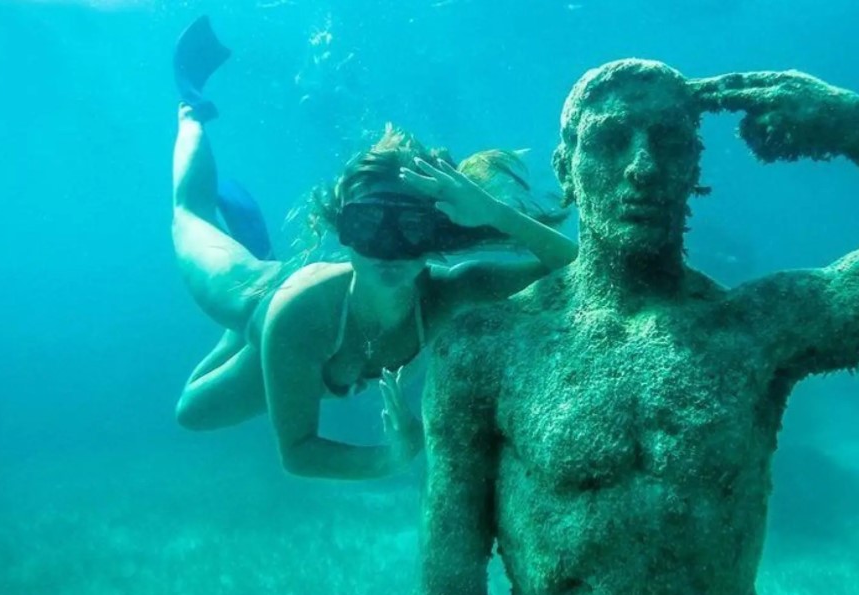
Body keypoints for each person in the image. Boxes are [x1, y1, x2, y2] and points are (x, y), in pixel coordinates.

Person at [408, 59, 859, 595]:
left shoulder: (758, 328)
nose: (642, 167)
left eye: (669, 141)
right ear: (566, 168)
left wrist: (851, 122)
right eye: (609, 140)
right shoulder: (487, 348)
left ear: (694, 167)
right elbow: (449, 591)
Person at [169, 17, 577, 480]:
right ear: (343, 230)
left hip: (299, 339)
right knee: (188, 217)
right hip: (259, 296)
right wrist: (389, 458)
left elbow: (580, 273)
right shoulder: (299, 318)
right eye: (368, 225)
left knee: (191, 413)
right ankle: (190, 108)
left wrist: (494, 213)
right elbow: (298, 452)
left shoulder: (454, 291)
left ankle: (237, 332)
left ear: (436, 234)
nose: (388, 249)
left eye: (409, 227)